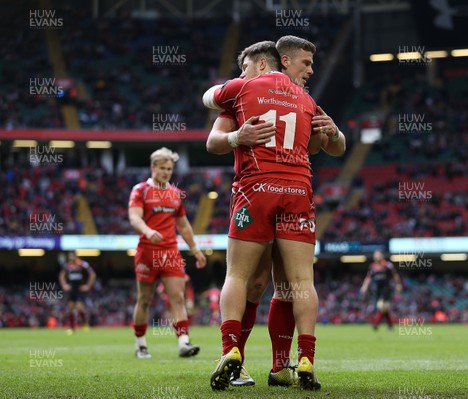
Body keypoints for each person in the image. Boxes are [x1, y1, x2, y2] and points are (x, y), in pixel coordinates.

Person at [205, 35, 346, 388]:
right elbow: (329, 148)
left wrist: (239, 133)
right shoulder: (308, 100)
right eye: (307, 64)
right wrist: (336, 134)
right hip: (298, 193)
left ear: (264, 63)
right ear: (283, 60)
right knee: (297, 284)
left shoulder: (243, 90)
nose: (311, 71)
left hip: (257, 191)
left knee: (240, 277)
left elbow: (208, 101)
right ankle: (304, 360)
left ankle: (233, 352)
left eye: (245, 67)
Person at [128, 147, 207, 359]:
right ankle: (140, 344)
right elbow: (134, 218)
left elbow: (184, 225)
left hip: (171, 253)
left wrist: (195, 250)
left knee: (178, 298)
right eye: (162, 168)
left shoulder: (174, 194)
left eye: (169, 169)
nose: (166, 172)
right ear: (152, 167)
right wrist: (147, 230)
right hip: (147, 252)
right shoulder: (140, 190)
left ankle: (184, 343)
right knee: (144, 299)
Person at [359, 250, 403, 330]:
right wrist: (364, 286)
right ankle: (390, 326)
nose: (377, 256)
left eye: (378, 255)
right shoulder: (372, 266)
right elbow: (368, 277)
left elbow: (395, 275)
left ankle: (376, 324)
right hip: (376, 290)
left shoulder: (388, 265)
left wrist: (398, 284)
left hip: (386, 289)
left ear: (382, 256)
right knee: (384, 308)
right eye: (375, 255)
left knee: (381, 305)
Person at [58, 252, 96, 334]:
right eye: (69, 257)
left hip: (80, 289)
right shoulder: (68, 266)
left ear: (76, 256)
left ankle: (85, 324)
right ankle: (72, 328)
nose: (70, 258)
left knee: (79, 308)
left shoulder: (83, 265)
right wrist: (64, 285)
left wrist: (88, 285)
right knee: (70, 309)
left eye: (72, 256)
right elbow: (61, 275)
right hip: (72, 290)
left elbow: (92, 274)